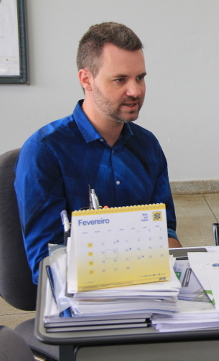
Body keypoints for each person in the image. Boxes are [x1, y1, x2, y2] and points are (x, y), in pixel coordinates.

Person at [15, 22, 182, 284]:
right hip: (82, 298)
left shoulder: (147, 145)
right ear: (86, 79)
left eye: (140, 77)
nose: (135, 91)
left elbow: (166, 231)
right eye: (120, 80)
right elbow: (45, 264)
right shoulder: (46, 151)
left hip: (149, 293)